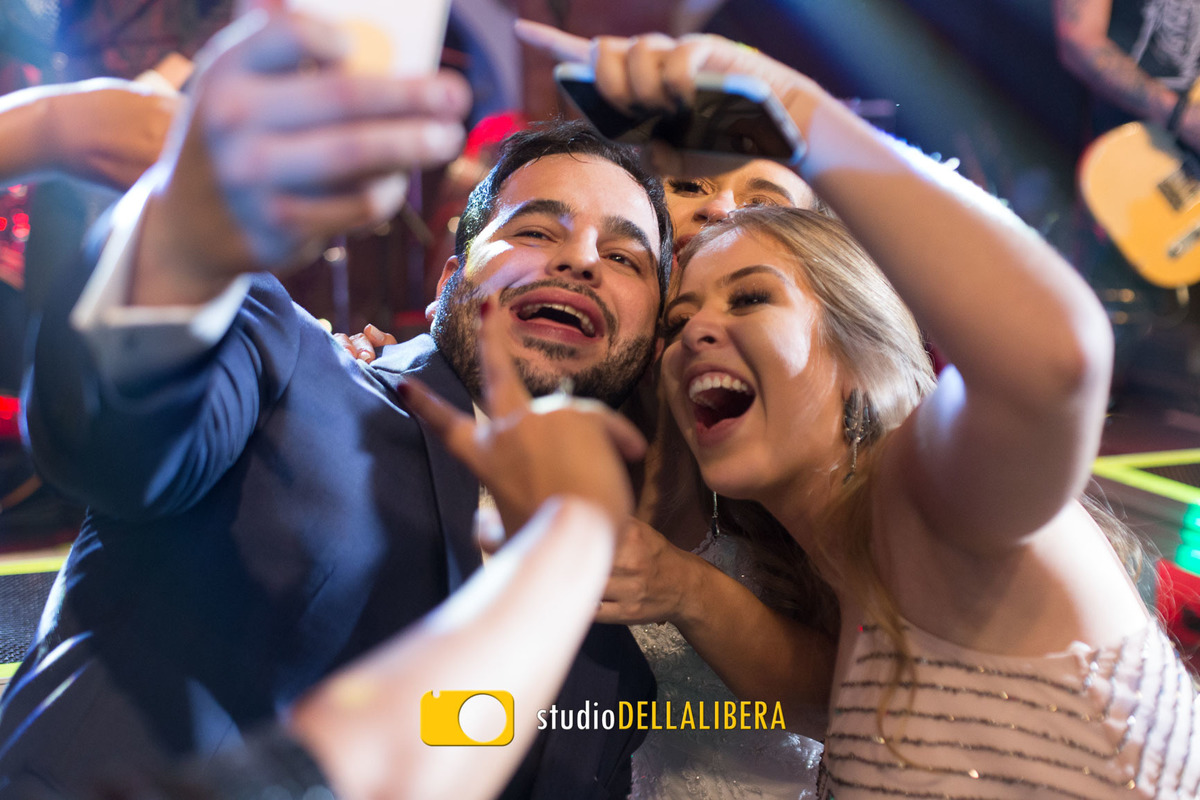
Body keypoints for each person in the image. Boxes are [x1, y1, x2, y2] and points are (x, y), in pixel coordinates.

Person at [413, 24, 1200, 798]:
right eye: (678, 323)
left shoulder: (940, 498)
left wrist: (795, 105)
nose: (697, 335)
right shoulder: (853, 577)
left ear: (861, 331)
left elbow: (1054, 357)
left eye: (750, 297)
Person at [0, 9, 669, 799]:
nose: (582, 260)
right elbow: (109, 432)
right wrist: (183, 240)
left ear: (657, 332)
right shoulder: (284, 357)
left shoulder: (614, 668)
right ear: (449, 279)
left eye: (624, 254)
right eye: (536, 229)